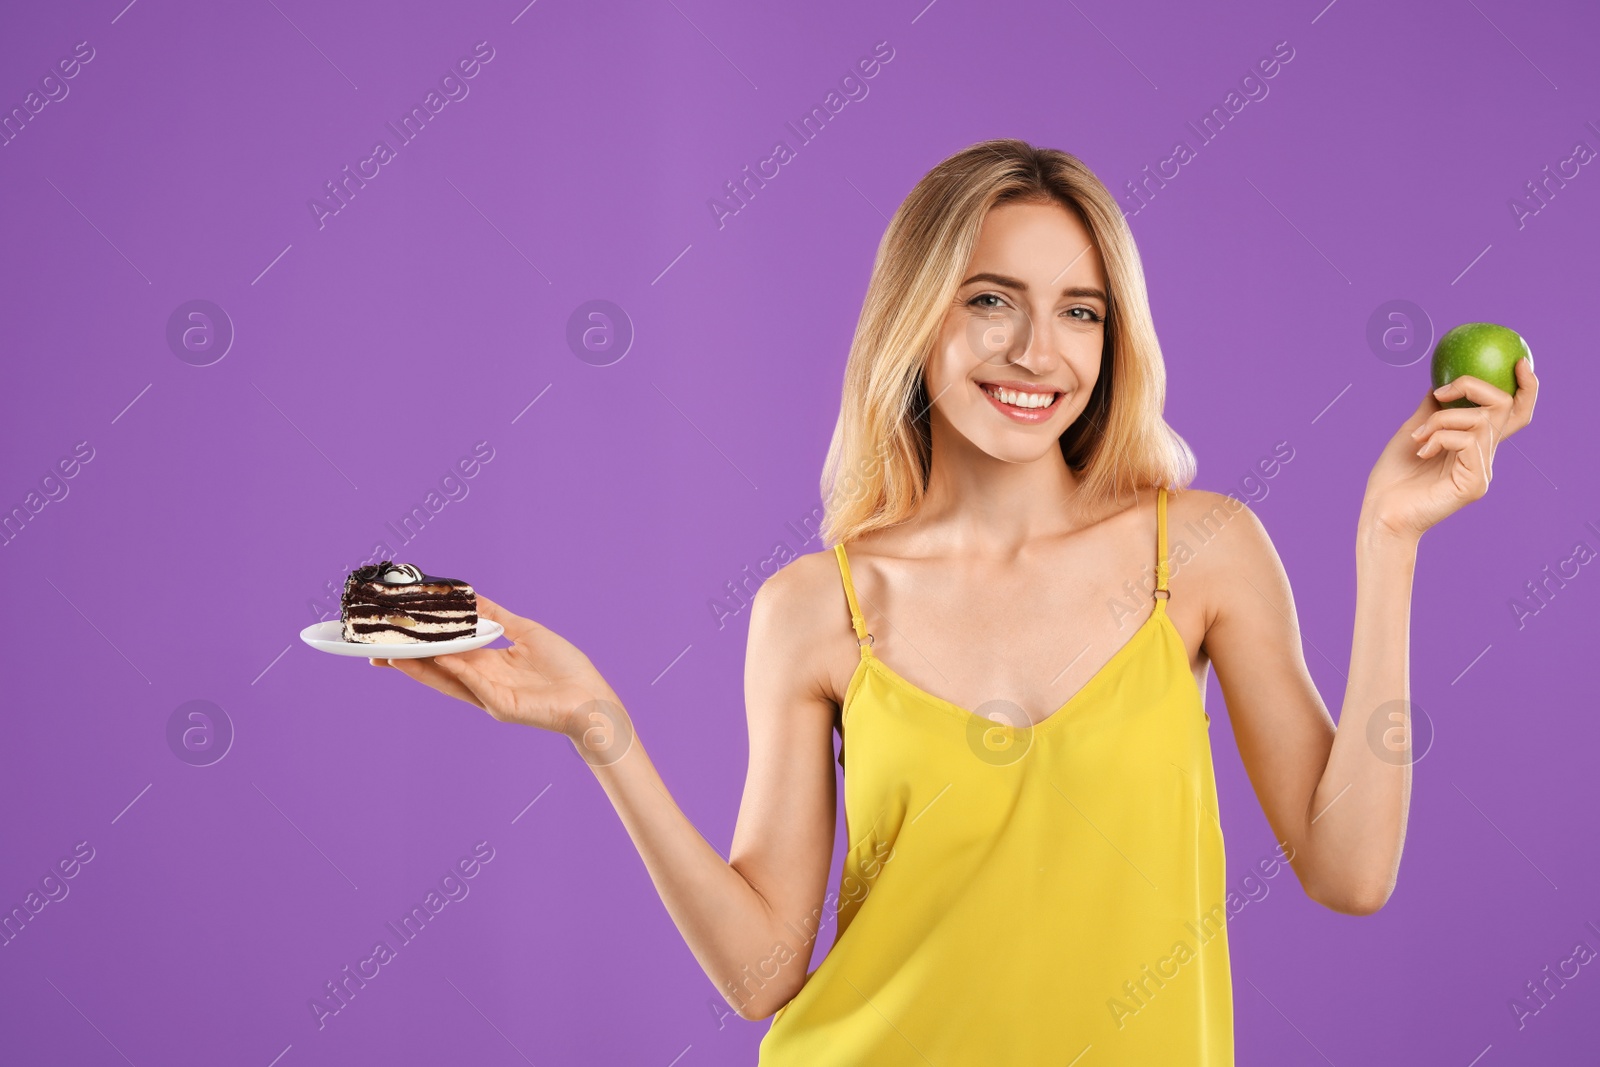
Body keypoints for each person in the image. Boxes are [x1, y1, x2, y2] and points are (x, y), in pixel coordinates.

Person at [370, 139, 1538, 1064]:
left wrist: (1387, 545)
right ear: (919, 316)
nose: (1038, 350)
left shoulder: (1206, 551)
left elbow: (1351, 871)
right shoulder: (817, 607)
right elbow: (763, 969)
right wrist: (599, 728)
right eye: (992, 299)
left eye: (1081, 309)